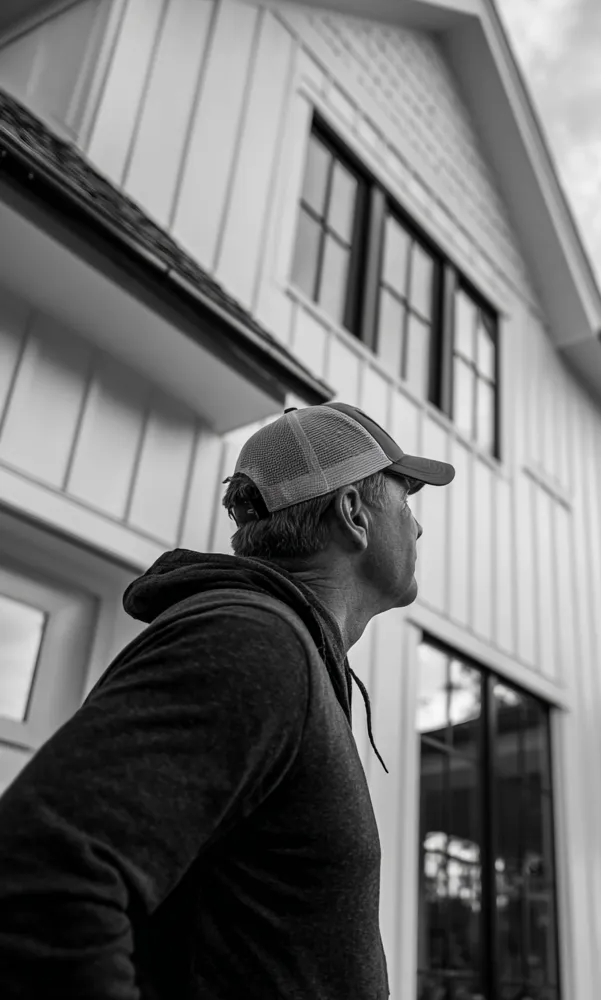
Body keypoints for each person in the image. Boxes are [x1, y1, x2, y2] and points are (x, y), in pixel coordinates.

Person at [0, 401, 454, 999]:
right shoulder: (252, 641)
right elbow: (43, 877)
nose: (417, 526)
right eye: (405, 498)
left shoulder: (279, 649)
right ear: (354, 513)